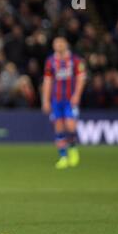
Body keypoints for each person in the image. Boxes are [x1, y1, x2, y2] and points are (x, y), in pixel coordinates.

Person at [42, 37, 86, 169]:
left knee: (71, 126)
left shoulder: (76, 60)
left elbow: (81, 79)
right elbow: (48, 82)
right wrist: (45, 100)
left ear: (66, 44)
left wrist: (77, 95)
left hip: (69, 100)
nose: (58, 45)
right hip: (56, 100)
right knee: (59, 128)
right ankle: (63, 157)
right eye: (56, 43)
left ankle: (72, 150)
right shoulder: (50, 61)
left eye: (61, 43)